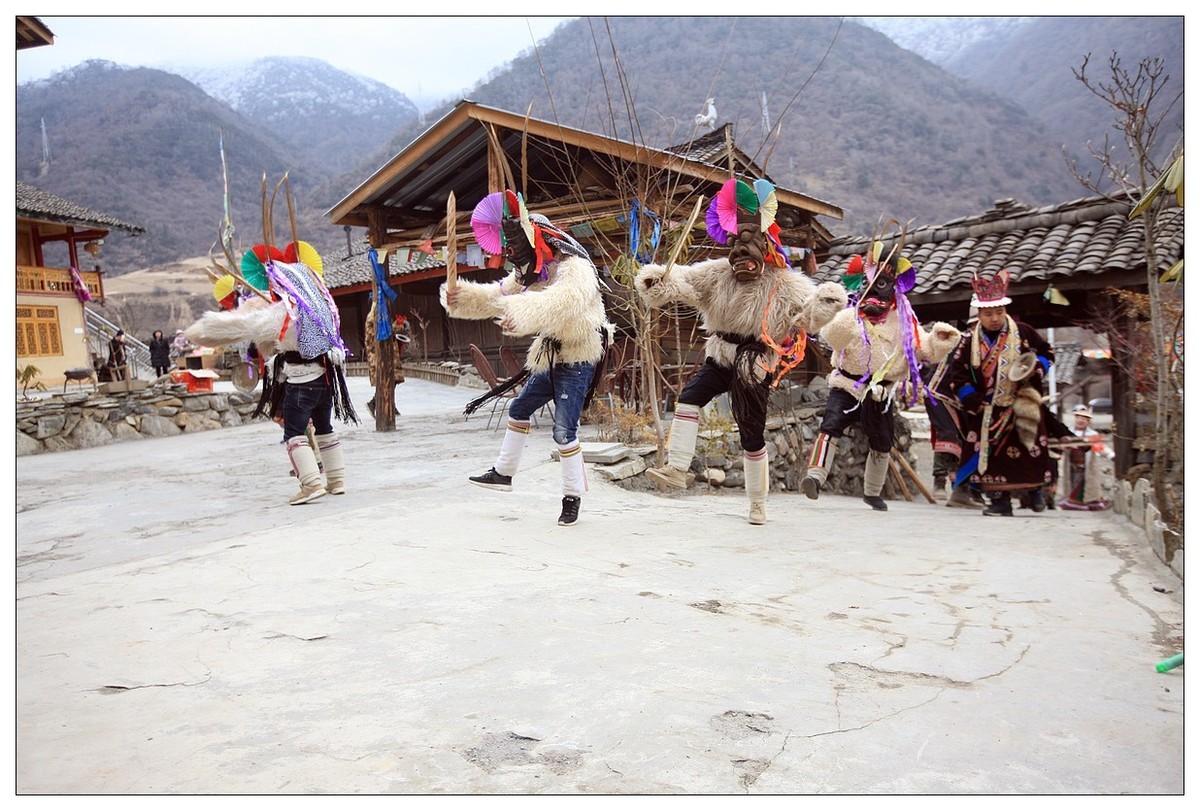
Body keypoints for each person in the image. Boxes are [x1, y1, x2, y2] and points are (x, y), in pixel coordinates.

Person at [634, 178, 848, 525]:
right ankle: (676, 468)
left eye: (749, 241)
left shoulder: (785, 283)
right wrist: (659, 281)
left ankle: (757, 503)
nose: (739, 250)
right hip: (720, 355)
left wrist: (825, 303)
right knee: (688, 399)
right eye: (734, 242)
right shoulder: (716, 274)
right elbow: (683, 281)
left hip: (756, 362)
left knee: (751, 434)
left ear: (766, 245)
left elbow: (806, 317)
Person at [441, 189, 614, 527]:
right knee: (519, 409)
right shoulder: (531, 271)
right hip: (550, 355)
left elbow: (561, 303)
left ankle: (572, 497)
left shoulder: (574, 268)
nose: (514, 263)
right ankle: (503, 473)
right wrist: (460, 298)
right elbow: (498, 296)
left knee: (564, 431)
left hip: (578, 357)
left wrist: (520, 311)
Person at [185, 252, 357, 506]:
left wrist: (202, 331)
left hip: (301, 382)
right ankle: (336, 480)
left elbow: (243, 326)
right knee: (324, 428)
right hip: (327, 380)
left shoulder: (287, 313)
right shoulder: (324, 309)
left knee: (294, 432)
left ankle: (310, 483)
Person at [801, 240, 961, 510]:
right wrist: (837, 316)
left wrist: (941, 339)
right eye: (869, 284)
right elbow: (831, 335)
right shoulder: (851, 316)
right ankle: (815, 476)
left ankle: (873, 492)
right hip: (847, 385)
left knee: (882, 439)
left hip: (881, 392)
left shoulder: (904, 320)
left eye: (883, 285)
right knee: (831, 425)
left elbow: (924, 349)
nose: (873, 292)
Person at [943, 269, 1056, 516]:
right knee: (989, 457)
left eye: (999, 312)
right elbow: (957, 374)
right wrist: (972, 399)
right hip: (987, 409)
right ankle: (1000, 503)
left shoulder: (1024, 333)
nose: (995, 318)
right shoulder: (969, 341)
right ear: (980, 315)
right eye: (988, 313)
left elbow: (1047, 353)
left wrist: (1036, 368)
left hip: (1022, 404)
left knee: (1030, 451)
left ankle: (1035, 493)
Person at [1058, 404, 1114, 510]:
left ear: (1088, 421)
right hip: (1071, 463)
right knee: (1072, 482)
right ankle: (1072, 501)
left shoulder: (1092, 434)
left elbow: (1101, 448)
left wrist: (1111, 455)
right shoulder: (1069, 433)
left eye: (1083, 419)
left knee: (1086, 484)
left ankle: (1083, 502)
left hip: (1087, 464)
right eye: (1078, 418)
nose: (1080, 421)